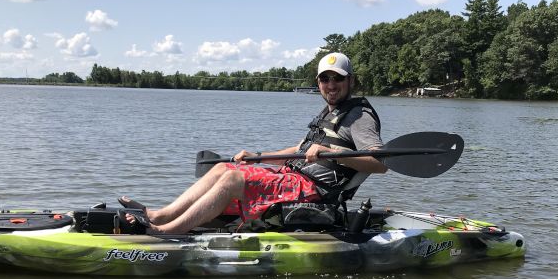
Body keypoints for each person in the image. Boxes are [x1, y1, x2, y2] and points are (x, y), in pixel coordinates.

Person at [121, 52, 387, 234]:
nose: (331, 84)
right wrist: (258, 156)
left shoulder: (359, 116)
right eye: (325, 78)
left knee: (232, 180)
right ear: (318, 82)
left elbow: (380, 163)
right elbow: (299, 150)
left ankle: (165, 232)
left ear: (350, 81)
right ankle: (160, 215)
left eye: (338, 78)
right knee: (223, 168)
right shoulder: (329, 113)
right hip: (293, 178)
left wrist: (333, 153)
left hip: (315, 191)